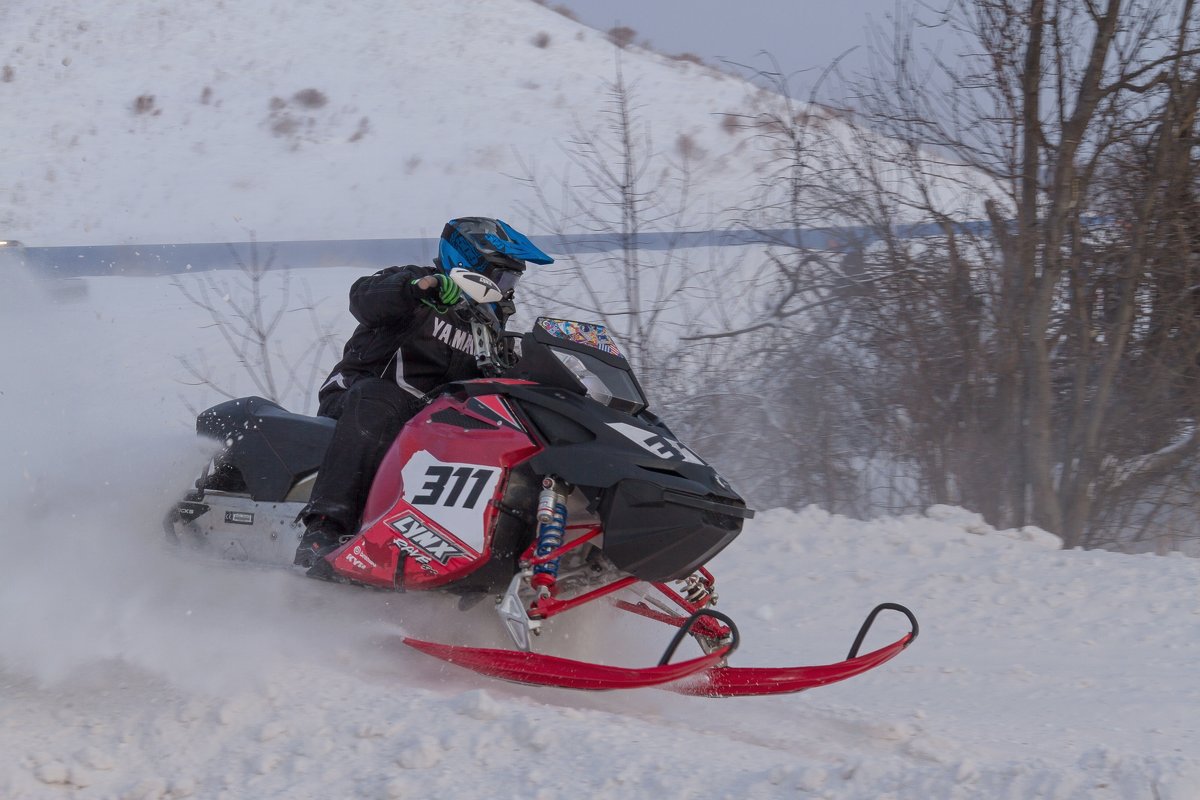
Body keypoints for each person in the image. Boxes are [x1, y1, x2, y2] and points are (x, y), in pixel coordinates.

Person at [293, 217, 553, 572]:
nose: (507, 290)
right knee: (379, 401)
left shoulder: (488, 330)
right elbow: (364, 297)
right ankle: (323, 529)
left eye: (512, 282)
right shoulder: (416, 285)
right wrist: (418, 288)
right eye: (503, 277)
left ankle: (482, 551)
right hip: (360, 398)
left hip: (428, 423)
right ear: (472, 264)